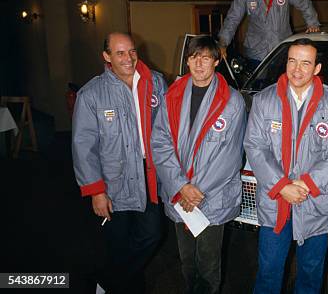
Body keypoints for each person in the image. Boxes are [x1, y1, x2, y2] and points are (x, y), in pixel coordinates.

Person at [244, 38, 328, 294]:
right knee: (269, 269)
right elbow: (255, 146)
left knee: (310, 271)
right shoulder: (264, 100)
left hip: (315, 201)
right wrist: (282, 186)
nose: (297, 69)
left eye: (306, 63)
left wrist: (307, 184)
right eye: (292, 61)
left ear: (316, 68)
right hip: (275, 202)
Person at [72, 32, 167, 293]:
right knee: (118, 243)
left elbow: (168, 130)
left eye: (132, 51)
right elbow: (83, 146)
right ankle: (128, 286)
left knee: (152, 235)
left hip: (149, 179)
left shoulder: (155, 83)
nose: (128, 58)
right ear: (107, 57)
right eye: (120, 53)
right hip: (113, 183)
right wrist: (96, 191)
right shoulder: (91, 94)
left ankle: (107, 281)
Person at [151, 36, 246, 294]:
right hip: (180, 195)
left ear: (217, 61)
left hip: (210, 198)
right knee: (187, 263)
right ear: (187, 60)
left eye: (206, 57)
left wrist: (194, 191)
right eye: (194, 57)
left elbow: (230, 157)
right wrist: (181, 186)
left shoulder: (232, 101)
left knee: (209, 266)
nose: (199, 63)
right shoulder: (173, 96)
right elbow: (159, 143)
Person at [218, 0, 320, 69]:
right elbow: (233, 18)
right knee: (258, 85)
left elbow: (304, 3)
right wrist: (223, 43)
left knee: (282, 84)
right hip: (256, 52)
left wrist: (312, 23)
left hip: (281, 49)